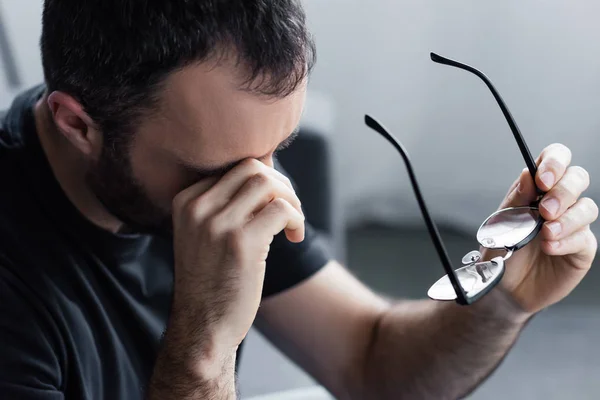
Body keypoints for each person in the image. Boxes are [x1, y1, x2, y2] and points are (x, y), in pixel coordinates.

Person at [0, 1, 597, 399]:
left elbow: (371, 362)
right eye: (222, 169)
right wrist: (205, 345)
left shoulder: (222, 158)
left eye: (275, 147)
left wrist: (506, 298)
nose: (264, 188)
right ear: (78, 124)